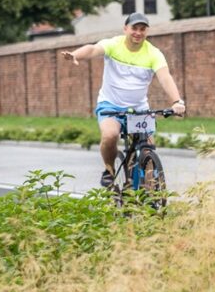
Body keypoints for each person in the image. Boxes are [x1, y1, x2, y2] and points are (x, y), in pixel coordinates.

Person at [62, 12, 186, 187]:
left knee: (148, 149)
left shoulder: (154, 53)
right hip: (110, 104)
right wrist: (76, 55)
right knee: (110, 135)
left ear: (147, 31)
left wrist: (176, 101)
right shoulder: (114, 44)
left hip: (139, 109)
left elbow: (165, 77)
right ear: (125, 29)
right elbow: (93, 49)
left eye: (142, 29)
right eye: (134, 28)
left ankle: (148, 192)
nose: (138, 33)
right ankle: (109, 169)